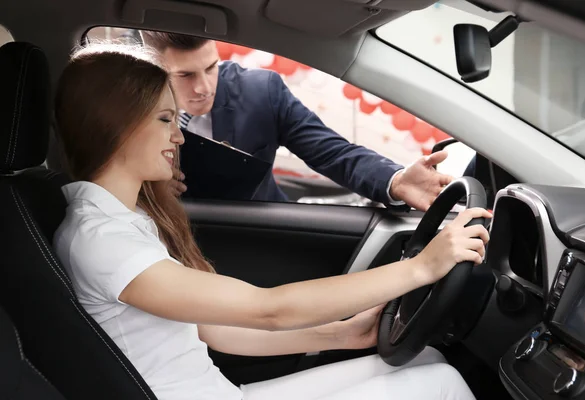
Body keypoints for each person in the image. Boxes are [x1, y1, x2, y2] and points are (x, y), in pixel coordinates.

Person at [52, 43, 491, 400]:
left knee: (428, 361)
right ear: (116, 125)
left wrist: (340, 335)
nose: (179, 135)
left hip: (215, 390)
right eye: (166, 119)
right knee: (444, 385)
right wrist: (421, 268)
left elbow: (212, 330)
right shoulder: (102, 239)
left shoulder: (127, 218)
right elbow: (269, 310)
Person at [141, 31, 453, 211]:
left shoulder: (261, 92)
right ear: (153, 69)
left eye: (211, 68)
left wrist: (396, 181)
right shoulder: (129, 112)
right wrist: (148, 191)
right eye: (185, 75)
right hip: (165, 242)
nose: (205, 87)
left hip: (258, 232)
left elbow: (334, 153)